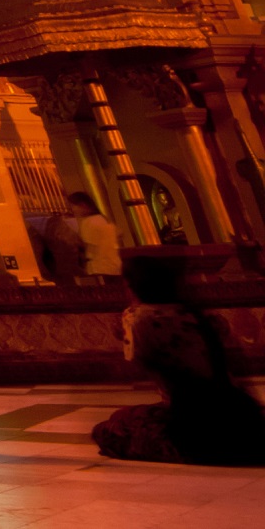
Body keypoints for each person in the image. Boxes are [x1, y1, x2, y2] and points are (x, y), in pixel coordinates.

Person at [93, 256, 265, 465]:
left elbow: (135, 363)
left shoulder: (139, 317)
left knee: (110, 429)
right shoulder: (200, 315)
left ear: (133, 286)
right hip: (236, 408)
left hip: (189, 420)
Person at [69, 192, 122, 279]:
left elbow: (87, 247)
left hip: (99, 268)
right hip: (114, 264)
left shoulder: (89, 222)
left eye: (73, 206)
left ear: (83, 205)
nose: (72, 210)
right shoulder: (102, 219)